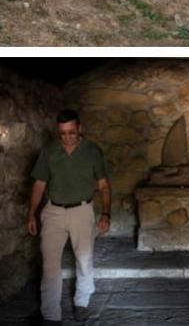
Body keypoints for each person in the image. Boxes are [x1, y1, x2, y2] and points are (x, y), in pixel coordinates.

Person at [27, 109, 111, 325]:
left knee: (84, 259)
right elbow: (39, 184)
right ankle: (51, 315)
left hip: (82, 211)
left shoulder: (92, 151)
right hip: (53, 211)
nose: (67, 138)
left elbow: (103, 185)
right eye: (62, 133)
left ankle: (82, 302)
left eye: (71, 132)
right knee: (49, 265)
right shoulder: (49, 152)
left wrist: (106, 213)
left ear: (79, 128)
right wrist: (32, 214)